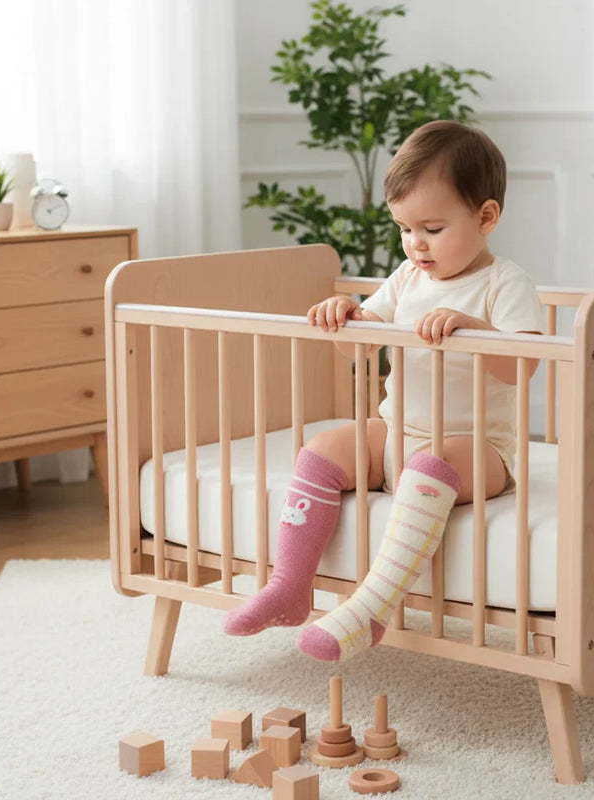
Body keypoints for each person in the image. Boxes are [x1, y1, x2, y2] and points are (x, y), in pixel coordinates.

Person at [223, 120, 545, 661]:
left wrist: (475, 331)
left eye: (432, 229)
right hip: (397, 432)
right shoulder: (406, 277)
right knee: (323, 449)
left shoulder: (504, 284)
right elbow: (360, 347)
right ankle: (289, 585)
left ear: (486, 216)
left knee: (431, 464)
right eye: (403, 228)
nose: (415, 243)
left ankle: (370, 607)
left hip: (478, 450)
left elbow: (525, 368)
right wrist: (346, 317)